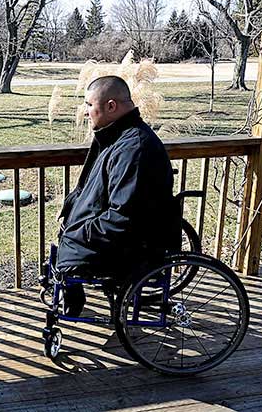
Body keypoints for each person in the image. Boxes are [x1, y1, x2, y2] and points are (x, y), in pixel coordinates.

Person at [55, 75, 181, 290]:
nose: (85, 112)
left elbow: (124, 219)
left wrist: (78, 233)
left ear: (111, 106)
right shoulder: (115, 138)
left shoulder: (134, 149)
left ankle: (71, 290)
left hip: (131, 247)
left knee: (67, 250)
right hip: (112, 235)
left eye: (89, 105)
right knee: (65, 241)